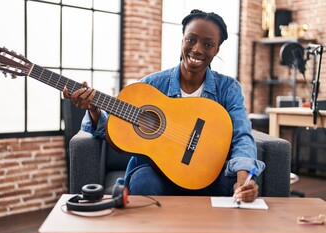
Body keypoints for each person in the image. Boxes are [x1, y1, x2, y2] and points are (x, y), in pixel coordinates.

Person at [63, 9, 265, 202]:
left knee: (231, 182)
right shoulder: (149, 85)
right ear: (182, 40)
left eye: (208, 44)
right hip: (158, 174)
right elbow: (113, 129)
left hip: (208, 176)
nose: (197, 49)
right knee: (143, 182)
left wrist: (243, 179)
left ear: (217, 49)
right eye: (191, 40)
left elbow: (242, 135)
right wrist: (93, 108)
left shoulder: (228, 88)